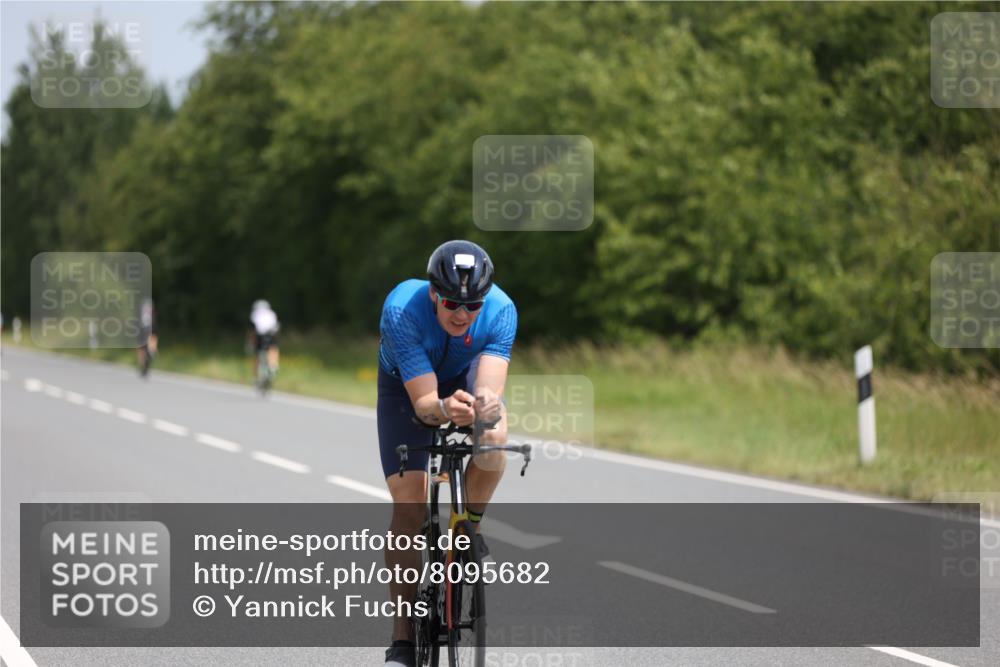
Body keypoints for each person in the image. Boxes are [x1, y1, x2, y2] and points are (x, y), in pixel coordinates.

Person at [378, 240, 517, 667]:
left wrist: (486, 407)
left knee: (494, 436)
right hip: (408, 388)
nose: (462, 313)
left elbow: (488, 388)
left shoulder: (501, 310)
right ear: (434, 294)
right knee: (410, 506)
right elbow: (424, 406)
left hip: (463, 372)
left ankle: (467, 531)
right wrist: (441, 409)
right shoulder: (403, 308)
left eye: (472, 304)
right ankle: (402, 639)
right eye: (452, 302)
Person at [247, 299, 280, 381]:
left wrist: (250, 343)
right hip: (272, 334)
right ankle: (273, 366)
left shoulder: (255, 314)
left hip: (260, 335)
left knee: (257, 354)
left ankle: (255, 376)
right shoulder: (272, 313)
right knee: (273, 349)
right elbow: (276, 326)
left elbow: (253, 330)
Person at [136, 297, 157, 377]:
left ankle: (145, 364)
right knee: (142, 350)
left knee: (147, 351)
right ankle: (143, 366)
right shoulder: (141, 316)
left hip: (149, 334)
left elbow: (155, 327)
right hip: (143, 334)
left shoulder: (152, 315)